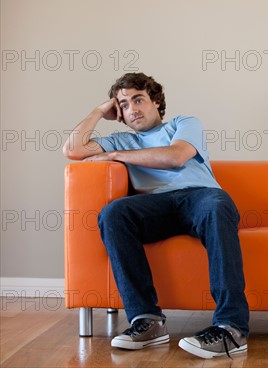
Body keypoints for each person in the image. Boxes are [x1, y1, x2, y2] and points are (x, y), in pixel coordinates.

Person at [62, 72, 249, 359]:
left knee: (216, 206)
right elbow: (72, 149)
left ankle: (231, 327)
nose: (132, 109)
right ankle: (146, 320)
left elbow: (175, 156)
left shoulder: (183, 123)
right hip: (155, 206)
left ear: (156, 101)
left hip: (200, 197)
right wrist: (99, 111)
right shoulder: (121, 140)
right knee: (114, 214)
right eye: (123, 105)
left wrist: (114, 156)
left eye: (138, 99)